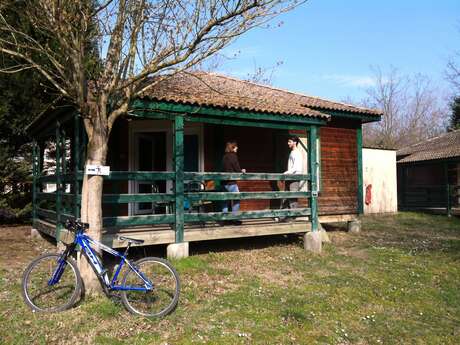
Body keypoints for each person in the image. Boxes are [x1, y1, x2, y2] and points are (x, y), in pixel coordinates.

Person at [221, 141, 246, 225]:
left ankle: (225, 219)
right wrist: (242, 170)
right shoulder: (233, 156)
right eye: (236, 147)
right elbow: (237, 169)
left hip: (224, 183)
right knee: (236, 200)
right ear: (233, 147)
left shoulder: (224, 157)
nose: (237, 148)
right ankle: (235, 219)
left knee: (225, 201)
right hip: (231, 183)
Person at [279, 135, 303, 221]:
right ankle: (283, 217)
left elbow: (296, 168)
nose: (288, 143)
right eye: (288, 141)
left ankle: (292, 218)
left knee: (293, 197)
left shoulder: (297, 153)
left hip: (295, 177)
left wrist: (286, 173)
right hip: (290, 177)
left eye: (290, 142)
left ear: (295, 142)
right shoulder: (292, 152)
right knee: (286, 196)